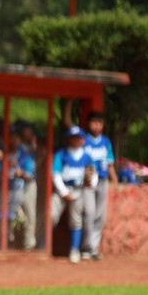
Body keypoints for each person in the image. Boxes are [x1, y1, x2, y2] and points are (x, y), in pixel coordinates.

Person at [51, 126, 95, 264]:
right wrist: (63, 192)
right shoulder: (61, 154)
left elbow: (93, 174)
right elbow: (56, 174)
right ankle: (44, 246)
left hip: (78, 189)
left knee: (76, 220)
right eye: (73, 138)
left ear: (83, 140)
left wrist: (91, 182)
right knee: (52, 216)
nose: (76, 140)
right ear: (68, 139)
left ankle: (74, 250)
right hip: (62, 189)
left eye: (78, 138)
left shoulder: (87, 156)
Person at [81, 111, 117, 260]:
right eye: (93, 122)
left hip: (102, 180)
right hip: (88, 181)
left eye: (99, 123)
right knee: (89, 213)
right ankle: (86, 247)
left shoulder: (106, 142)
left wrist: (115, 180)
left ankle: (94, 248)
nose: (96, 126)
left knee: (100, 216)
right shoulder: (83, 140)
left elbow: (110, 164)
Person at [7, 125, 38, 251]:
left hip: (27, 187)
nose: (13, 140)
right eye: (11, 137)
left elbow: (30, 176)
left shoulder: (25, 154)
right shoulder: (3, 153)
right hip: (9, 189)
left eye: (16, 137)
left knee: (29, 215)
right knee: (9, 215)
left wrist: (21, 173)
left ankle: (28, 244)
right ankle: (8, 242)